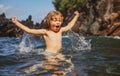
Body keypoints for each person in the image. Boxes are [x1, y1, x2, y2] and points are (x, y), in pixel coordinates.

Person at [12, 10, 80, 54]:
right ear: (48, 22)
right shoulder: (46, 32)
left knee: (67, 67)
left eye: (59, 21)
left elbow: (69, 26)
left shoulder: (60, 30)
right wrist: (17, 23)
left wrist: (76, 16)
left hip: (59, 54)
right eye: (55, 20)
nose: (58, 23)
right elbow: (29, 30)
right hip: (49, 54)